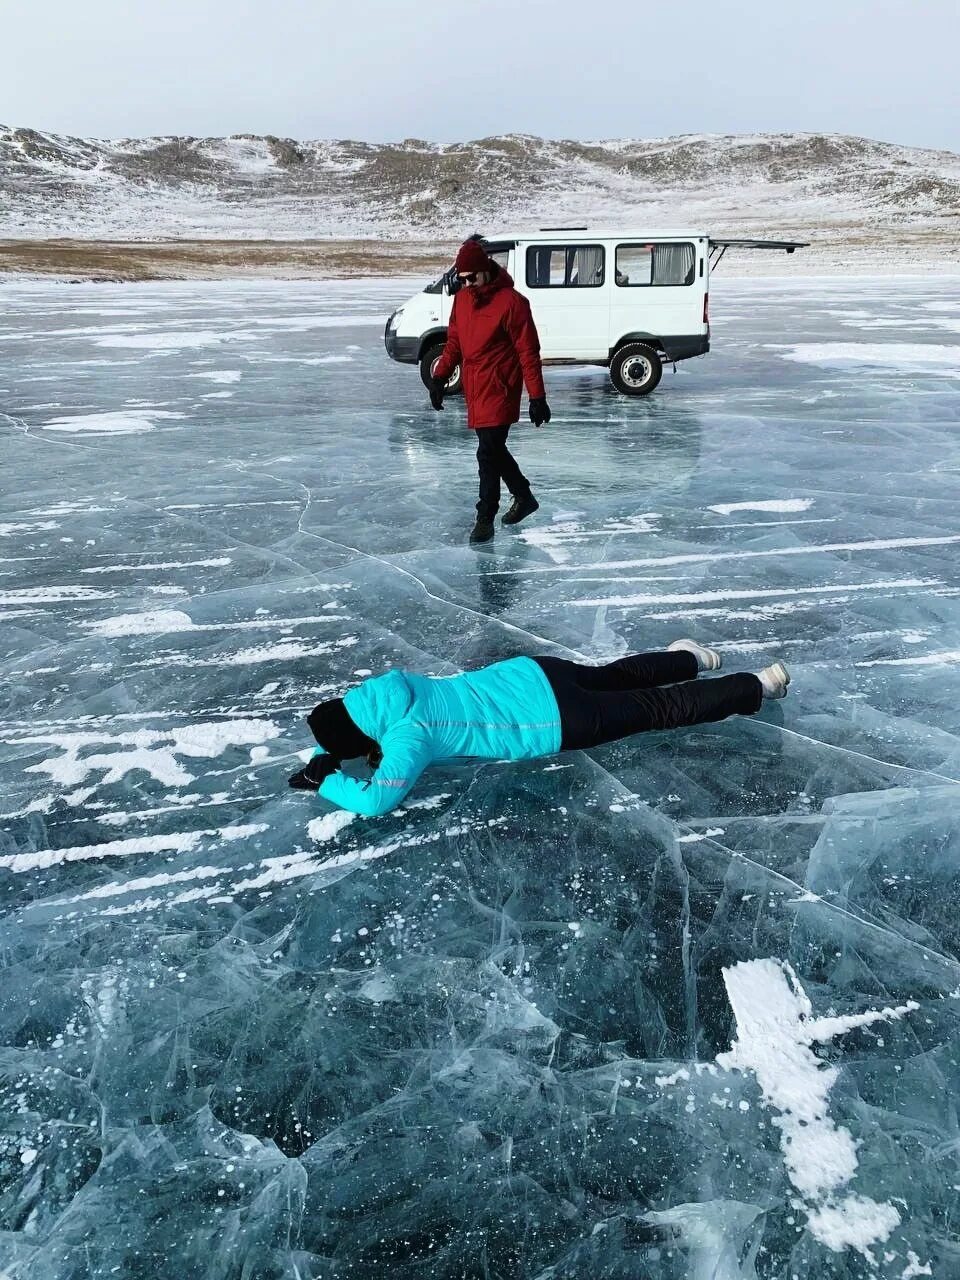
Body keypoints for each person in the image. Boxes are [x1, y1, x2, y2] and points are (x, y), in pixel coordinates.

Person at [288, 639, 790, 818]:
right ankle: (691, 656)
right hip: (534, 674)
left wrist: (325, 778)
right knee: (616, 676)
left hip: (549, 721)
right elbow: (448, 732)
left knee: (656, 710)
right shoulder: (391, 692)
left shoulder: (407, 738)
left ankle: (757, 686)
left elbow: (377, 801)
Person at [430, 239, 551, 545]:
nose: (467, 284)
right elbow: (455, 342)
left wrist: (537, 396)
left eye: (472, 277)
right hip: (475, 386)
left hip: (501, 386)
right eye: (462, 279)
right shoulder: (462, 301)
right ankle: (523, 497)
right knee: (494, 450)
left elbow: (528, 352)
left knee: (487, 452)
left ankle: (485, 517)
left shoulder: (512, 303)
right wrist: (440, 376)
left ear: (485, 270)